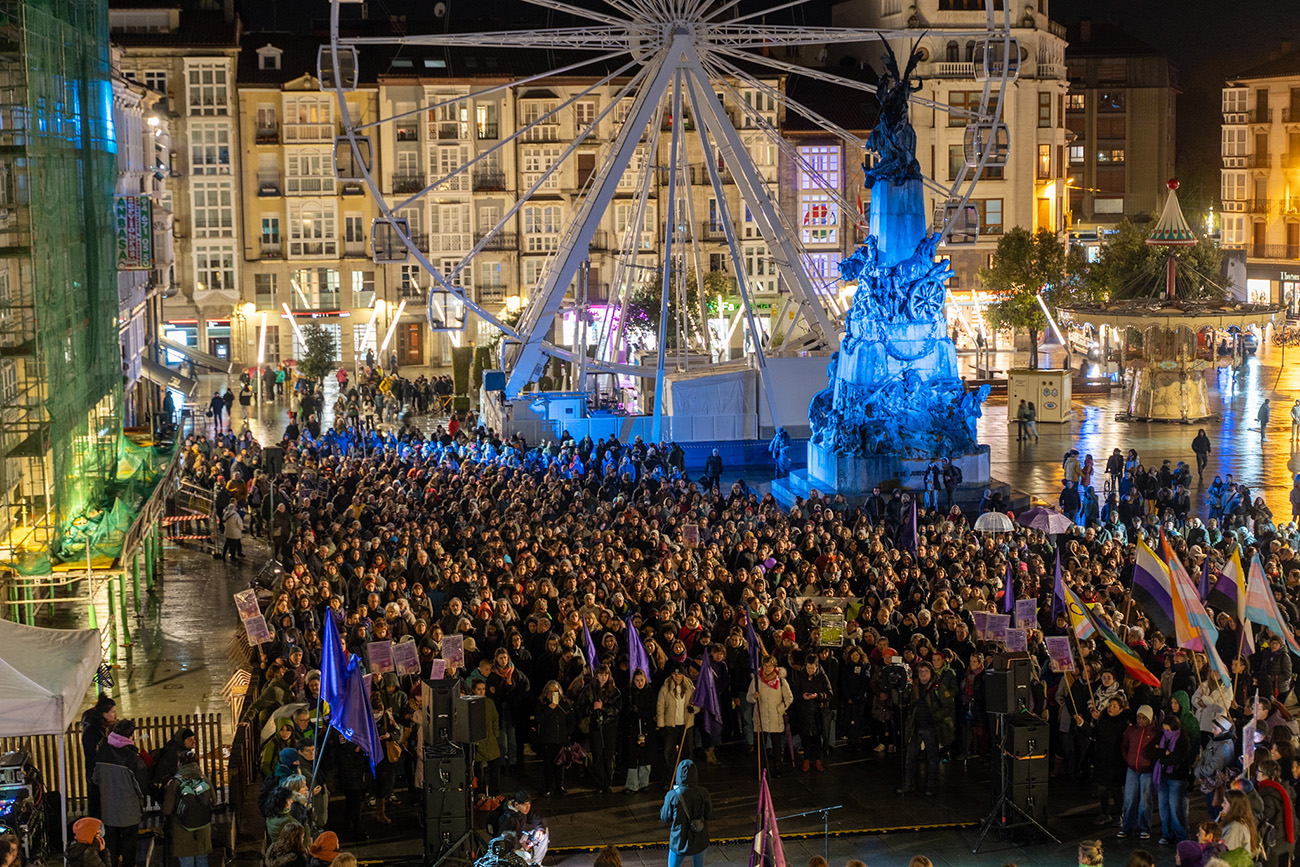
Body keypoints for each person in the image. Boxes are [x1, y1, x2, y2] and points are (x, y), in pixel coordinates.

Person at [92, 719, 149, 867]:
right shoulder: (133, 759)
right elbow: (142, 788)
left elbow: (95, 779)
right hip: (129, 813)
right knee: (129, 848)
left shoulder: (102, 753)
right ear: (130, 736)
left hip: (109, 811)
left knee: (111, 847)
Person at [899, 660, 954, 797]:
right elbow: (903, 700)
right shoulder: (914, 687)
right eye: (920, 671)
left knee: (932, 759)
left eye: (926, 671)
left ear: (931, 673)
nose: (923, 674)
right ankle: (908, 784)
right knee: (909, 758)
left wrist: (935, 716)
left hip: (931, 727)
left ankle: (931, 786)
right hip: (915, 727)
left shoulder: (938, 687)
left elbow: (948, 706)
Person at [162, 749, 215, 867]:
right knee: (202, 858)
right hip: (203, 827)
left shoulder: (175, 783)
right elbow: (214, 801)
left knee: (186, 861)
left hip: (182, 829)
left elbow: (167, 809)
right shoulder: (203, 779)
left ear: (180, 764)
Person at [660, 759, 712, 867]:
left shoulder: (673, 795)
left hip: (679, 840)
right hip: (699, 838)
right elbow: (709, 814)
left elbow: (665, 817)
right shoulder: (703, 792)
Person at [748, 655, 793, 778]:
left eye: (770, 666)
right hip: (761, 716)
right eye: (765, 666)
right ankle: (760, 767)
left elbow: (789, 698)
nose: (767, 669)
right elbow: (749, 697)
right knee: (760, 745)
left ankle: (777, 767)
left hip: (775, 717)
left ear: (774, 666)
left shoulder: (781, 681)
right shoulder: (757, 679)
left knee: (776, 744)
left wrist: (780, 708)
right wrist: (754, 697)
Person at [1118, 704, 1158, 840]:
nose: (1140, 720)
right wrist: (1128, 759)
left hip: (1147, 771)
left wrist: (1150, 765)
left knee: (1145, 800)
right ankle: (1126, 827)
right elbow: (1124, 746)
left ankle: (1144, 828)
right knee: (1129, 798)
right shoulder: (1131, 731)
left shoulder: (1154, 733)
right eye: (1138, 717)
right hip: (1132, 769)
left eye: (1144, 718)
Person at [790, 653, 832, 773]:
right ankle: (806, 759)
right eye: (808, 668)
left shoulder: (822, 677)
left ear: (817, 666)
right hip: (804, 711)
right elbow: (794, 693)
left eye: (812, 668)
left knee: (817, 737)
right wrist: (802, 696)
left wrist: (818, 695)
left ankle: (818, 759)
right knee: (806, 736)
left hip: (817, 711)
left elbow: (829, 693)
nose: (810, 671)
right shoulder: (800, 676)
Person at [1154, 714, 1193, 844]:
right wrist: (1164, 754)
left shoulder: (1183, 739)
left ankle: (1182, 835)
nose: (1166, 732)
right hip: (1163, 776)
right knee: (1163, 807)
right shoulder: (1162, 737)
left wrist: (1163, 756)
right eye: (1164, 729)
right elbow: (1153, 752)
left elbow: (1177, 758)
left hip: (1177, 777)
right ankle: (1167, 833)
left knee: (1176, 807)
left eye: (1169, 730)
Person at [80, 696, 116, 819]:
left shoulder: (103, 728)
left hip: (104, 774)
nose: (115, 715)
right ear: (103, 714)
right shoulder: (91, 732)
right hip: (96, 775)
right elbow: (95, 754)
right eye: (112, 712)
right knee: (98, 806)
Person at [1219, 790, 1263, 859]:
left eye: (1225, 802)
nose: (1222, 805)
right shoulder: (1243, 821)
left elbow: (1226, 855)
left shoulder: (1234, 829)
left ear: (1234, 807)